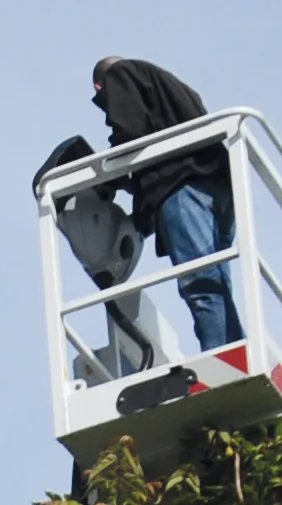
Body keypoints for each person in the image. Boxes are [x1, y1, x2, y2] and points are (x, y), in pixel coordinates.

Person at [46, 54, 239, 380]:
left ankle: (223, 367)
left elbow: (131, 131)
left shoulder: (121, 74)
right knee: (217, 285)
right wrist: (143, 214)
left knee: (201, 286)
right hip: (218, 189)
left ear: (99, 85)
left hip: (182, 187)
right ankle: (234, 356)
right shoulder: (173, 88)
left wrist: (107, 173)